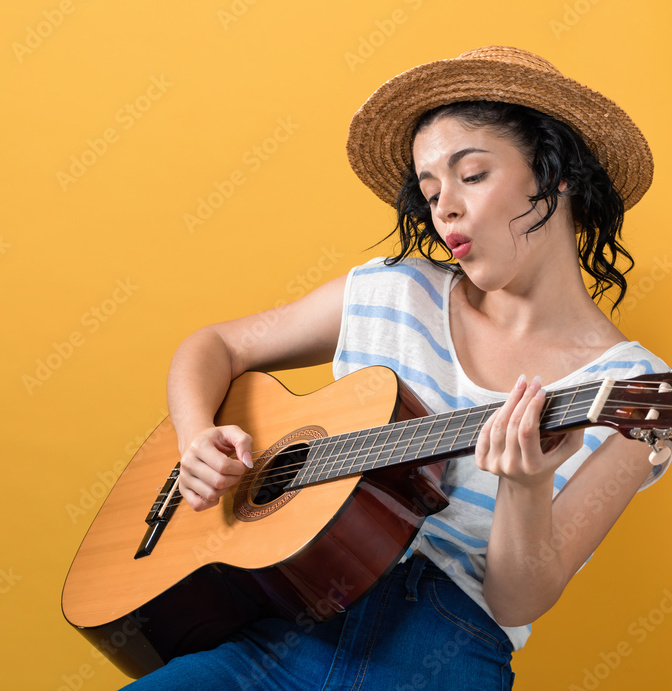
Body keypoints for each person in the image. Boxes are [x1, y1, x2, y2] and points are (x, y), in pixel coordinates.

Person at [122, 47, 669, 690]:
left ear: (555, 174)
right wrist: (195, 441)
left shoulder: (639, 393)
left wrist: (526, 486)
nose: (445, 210)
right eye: (431, 190)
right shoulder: (392, 292)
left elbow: (518, 600)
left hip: (441, 653)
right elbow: (215, 345)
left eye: (472, 175)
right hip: (276, 629)